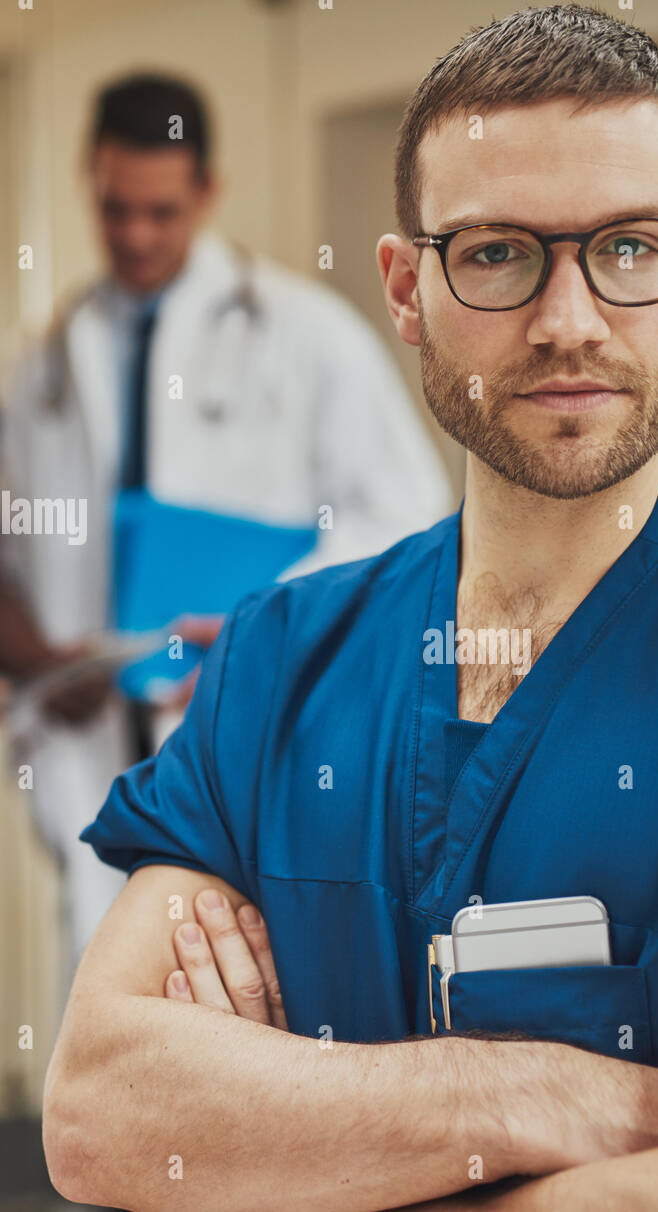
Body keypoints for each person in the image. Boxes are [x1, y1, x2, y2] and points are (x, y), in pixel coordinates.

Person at [43, 7, 658, 1212]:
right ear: (408, 288)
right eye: (499, 254)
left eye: (631, 246)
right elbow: (101, 1117)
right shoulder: (282, 653)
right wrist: (541, 1089)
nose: (567, 318)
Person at [0, 73, 450, 967]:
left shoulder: (306, 335)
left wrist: (260, 627)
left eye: (159, 213)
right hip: (88, 738)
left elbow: (410, 522)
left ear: (206, 192)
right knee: (99, 1011)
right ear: (91, 180)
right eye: (115, 209)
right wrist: (43, 660)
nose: (134, 235)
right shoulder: (41, 368)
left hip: (250, 733)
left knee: (238, 1004)